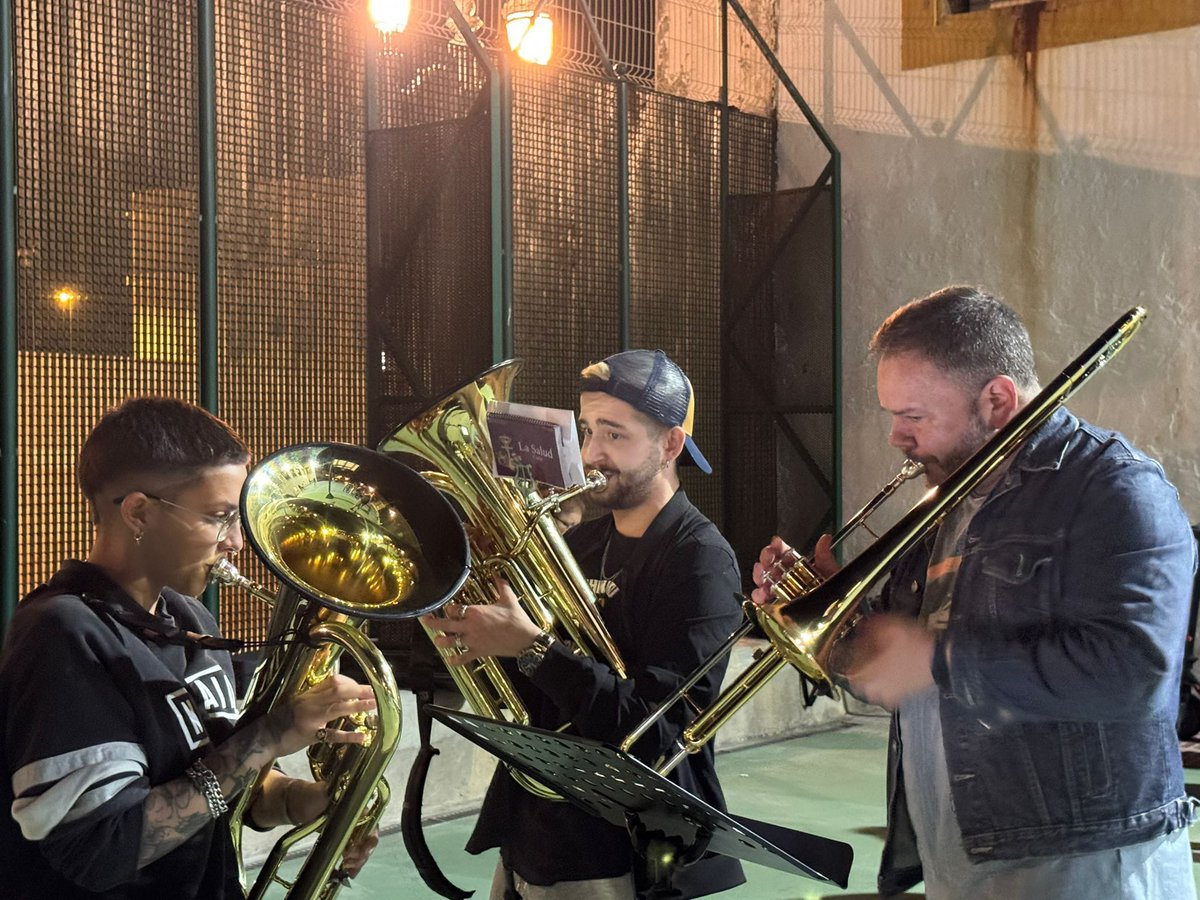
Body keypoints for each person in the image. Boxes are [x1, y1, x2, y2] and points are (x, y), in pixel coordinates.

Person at [753, 286, 1197, 899]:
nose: (895, 436)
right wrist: (835, 619)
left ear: (997, 401)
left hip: (1083, 861)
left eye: (913, 416)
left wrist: (939, 661)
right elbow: (896, 672)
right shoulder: (947, 499)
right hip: (956, 853)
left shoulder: (1116, 487)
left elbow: (1135, 676)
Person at [0, 397, 379, 899]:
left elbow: (219, 785)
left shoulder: (188, 618)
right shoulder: (62, 634)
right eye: (220, 517)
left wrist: (305, 802)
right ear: (138, 513)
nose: (236, 543)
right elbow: (102, 849)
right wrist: (270, 734)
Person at [427, 349, 747, 899]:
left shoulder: (700, 561)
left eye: (615, 434)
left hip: (621, 854)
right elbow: (538, 700)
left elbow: (660, 732)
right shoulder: (582, 543)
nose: (592, 452)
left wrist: (533, 648)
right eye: (587, 430)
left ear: (671, 445)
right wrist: (479, 628)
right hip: (535, 833)